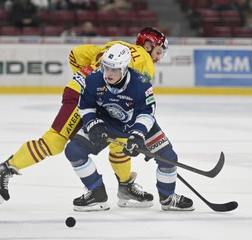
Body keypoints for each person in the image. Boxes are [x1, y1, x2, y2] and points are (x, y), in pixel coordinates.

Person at [0, 27, 167, 208]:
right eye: (158, 52)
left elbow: (76, 54)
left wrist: (82, 78)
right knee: (54, 142)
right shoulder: (145, 62)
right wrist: (141, 136)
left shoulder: (115, 46)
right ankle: (3, 169)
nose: (158, 58)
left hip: (84, 92)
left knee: (119, 139)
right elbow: (137, 99)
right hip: (85, 97)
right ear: (148, 45)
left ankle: (125, 186)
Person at [64, 43, 194, 212]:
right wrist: (93, 124)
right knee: (73, 151)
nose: (108, 73)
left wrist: (138, 135)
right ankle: (97, 193)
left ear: (125, 68)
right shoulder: (93, 79)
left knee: (168, 156)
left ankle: (168, 197)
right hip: (107, 123)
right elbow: (85, 106)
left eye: (114, 69)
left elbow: (147, 113)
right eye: (106, 67)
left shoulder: (141, 84)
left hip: (136, 124)